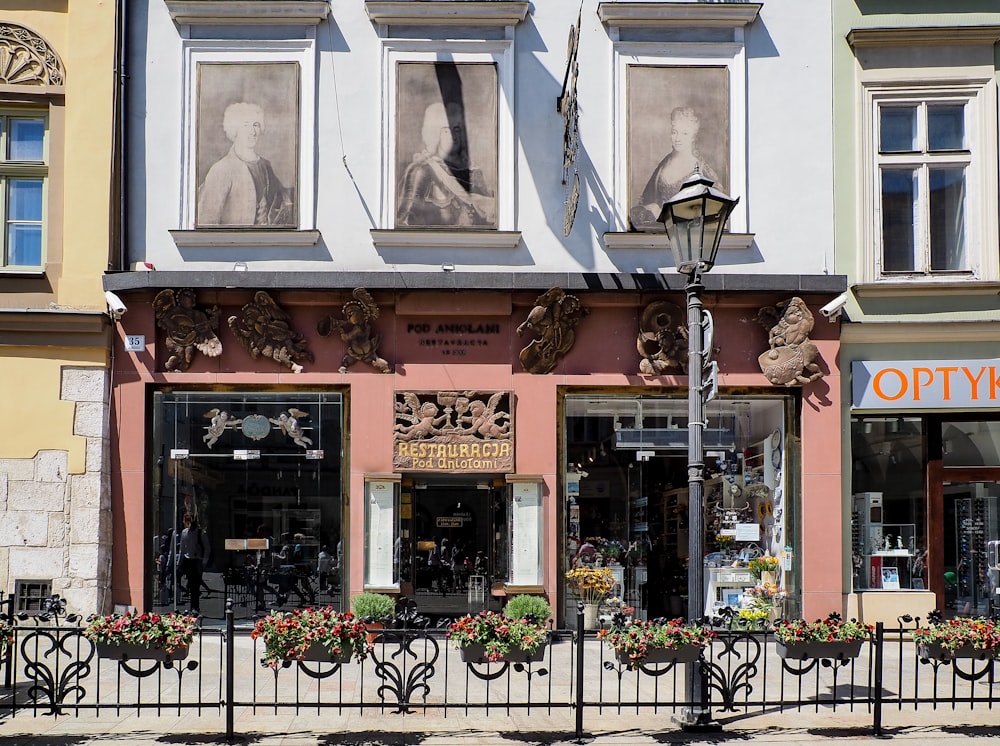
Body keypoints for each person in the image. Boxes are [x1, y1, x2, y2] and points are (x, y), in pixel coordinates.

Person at [396, 101, 495, 227]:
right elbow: (403, 223)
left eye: (458, 129)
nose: (455, 137)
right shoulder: (422, 171)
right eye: (447, 131)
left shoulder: (474, 174)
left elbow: (489, 224)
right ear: (435, 133)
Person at [197, 102, 293, 227]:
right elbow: (206, 222)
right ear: (234, 129)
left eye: (256, 125)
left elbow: (283, 201)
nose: (252, 132)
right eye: (246, 125)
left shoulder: (265, 166)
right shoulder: (221, 169)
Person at [629, 106, 721, 231]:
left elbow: (714, 209)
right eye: (674, 132)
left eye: (684, 133)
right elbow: (646, 200)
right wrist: (652, 209)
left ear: (693, 136)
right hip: (658, 233)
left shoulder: (701, 169)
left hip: (687, 235)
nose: (678, 138)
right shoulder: (663, 165)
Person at [178, 514, 211, 614]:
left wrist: (204, 561)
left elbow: (207, 548)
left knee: (195, 585)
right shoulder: (184, 533)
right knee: (190, 584)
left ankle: (195, 607)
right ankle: (192, 606)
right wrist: (179, 563)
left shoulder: (201, 533)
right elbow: (182, 549)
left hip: (197, 560)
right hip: (188, 560)